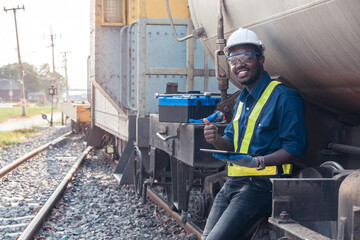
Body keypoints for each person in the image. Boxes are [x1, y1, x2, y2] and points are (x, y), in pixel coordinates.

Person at [202, 27, 307, 240]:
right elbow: (231, 141)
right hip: (233, 183)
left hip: (263, 186)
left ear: (261, 59)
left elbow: (295, 148)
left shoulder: (284, 97)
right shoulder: (242, 99)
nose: (239, 64)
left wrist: (258, 162)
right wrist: (216, 140)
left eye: (246, 57)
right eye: (233, 60)